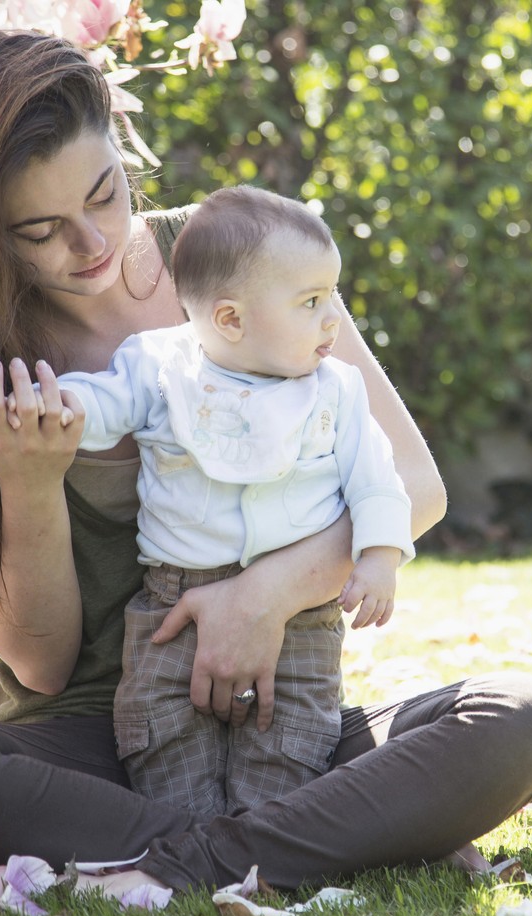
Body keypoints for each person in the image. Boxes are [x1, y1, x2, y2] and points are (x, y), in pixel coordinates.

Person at [0, 29, 532, 893]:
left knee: (526, 718)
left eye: (105, 194)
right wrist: (30, 484)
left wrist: (260, 598)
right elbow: (41, 665)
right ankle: (311, 838)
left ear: (119, 145)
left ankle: (188, 855)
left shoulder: (244, 253)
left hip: (279, 718)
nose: (92, 244)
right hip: (90, 746)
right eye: (41, 230)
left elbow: (414, 487)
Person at [52, 184, 414, 817]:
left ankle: (265, 829)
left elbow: (378, 480)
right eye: (310, 301)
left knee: (289, 734)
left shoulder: (337, 391)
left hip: (302, 616)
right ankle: (188, 827)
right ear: (230, 319)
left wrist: (380, 556)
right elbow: (104, 403)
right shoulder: (161, 365)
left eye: (333, 295)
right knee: (165, 730)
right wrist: (62, 405)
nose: (333, 318)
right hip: (172, 603)